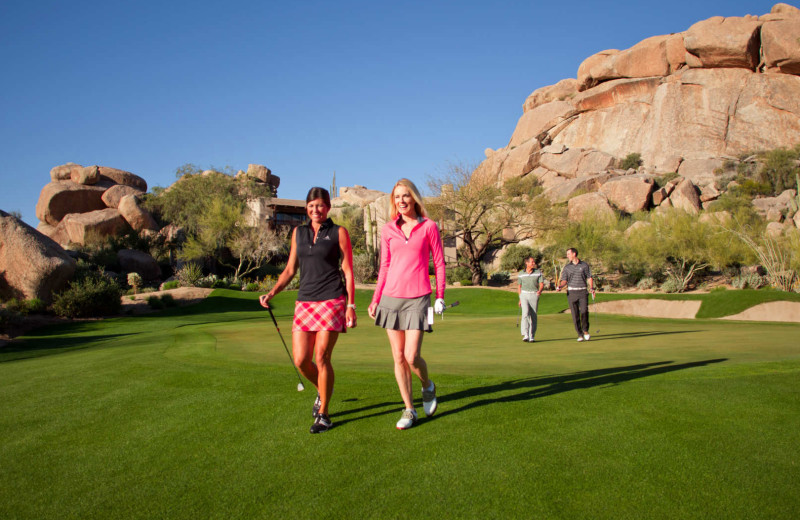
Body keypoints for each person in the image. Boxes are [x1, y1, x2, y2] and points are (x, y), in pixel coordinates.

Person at [259, 187, 356, 434]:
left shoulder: (338, 232)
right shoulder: (298, 233)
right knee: (301, 360)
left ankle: (324, 414)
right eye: (312, 206)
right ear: (307, 208)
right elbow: (290, 269)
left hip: (332, 300)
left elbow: (347, 271)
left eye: (321, 205)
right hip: (305, 302)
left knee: (322, 357)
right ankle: (323, 391)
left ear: (328, 208)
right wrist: (272, 292)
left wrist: (351, 305)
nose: (316, 210)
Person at [368, 178, 446, 430]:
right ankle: (409, 409)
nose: (401, 201)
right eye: (397, 197)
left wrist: (440, 295)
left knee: (412, 356)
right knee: (398, 357)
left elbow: (440, 263)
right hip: (391, 298)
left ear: (414, 198)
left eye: (406, 196)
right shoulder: (388, 229)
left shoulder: (429, 226)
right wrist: (376, 298)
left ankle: (427, 386)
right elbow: (385, 266)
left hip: (419, 297)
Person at [556, 247, 595, 341]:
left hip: (583, 291)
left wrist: (592, 287)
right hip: (572, 292)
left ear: (574, 254)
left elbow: (589, 277)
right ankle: (580, 334)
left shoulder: (584, 265)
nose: (567, 256)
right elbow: (564, 280)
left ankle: (585, 330)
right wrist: (560, 286)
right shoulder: (567, 267)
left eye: (568, 254)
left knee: (584, 311)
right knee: (575, 314)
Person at [518, 256, 544, 342]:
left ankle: (531, 335)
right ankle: (525, 334)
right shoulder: (521, 273)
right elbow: (519, 286)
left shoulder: (538, 272)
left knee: (533, 315)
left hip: (534, 294)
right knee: (525, 313)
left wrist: (539, 291)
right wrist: (520, 298)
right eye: (532, 262)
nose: (533, 263)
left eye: (534, 262)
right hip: (524, 294)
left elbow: (541, 284)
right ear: (527, 263)